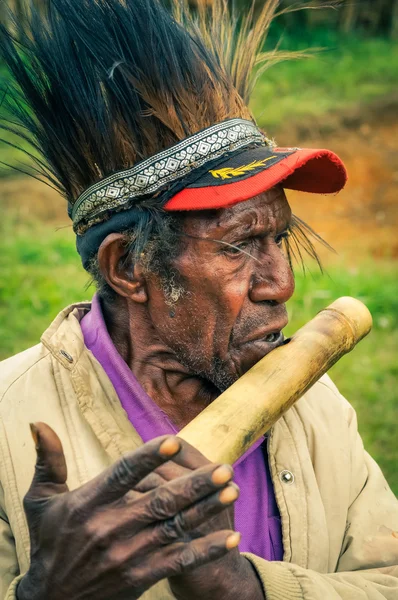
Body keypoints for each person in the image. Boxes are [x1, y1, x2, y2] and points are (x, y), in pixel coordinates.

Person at [0, 1, 397, 599]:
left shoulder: (318, 410)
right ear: (129, 267)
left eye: (279, 238)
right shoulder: (7, 427)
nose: (282, 283)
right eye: (239, 247)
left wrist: (243, 588)